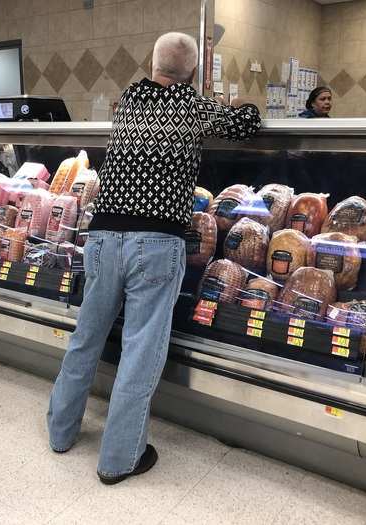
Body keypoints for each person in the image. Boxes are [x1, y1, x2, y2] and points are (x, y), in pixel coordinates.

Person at [47, 32, 261, 484]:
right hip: (156, 242)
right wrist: (244, 103)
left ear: (153, 64)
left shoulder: (128, 99)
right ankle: (118, 459)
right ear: (195, 73)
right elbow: (246, 124)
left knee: (87, 336)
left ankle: (61, 432)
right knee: (140, 350)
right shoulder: (193, 107)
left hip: (103, 236)